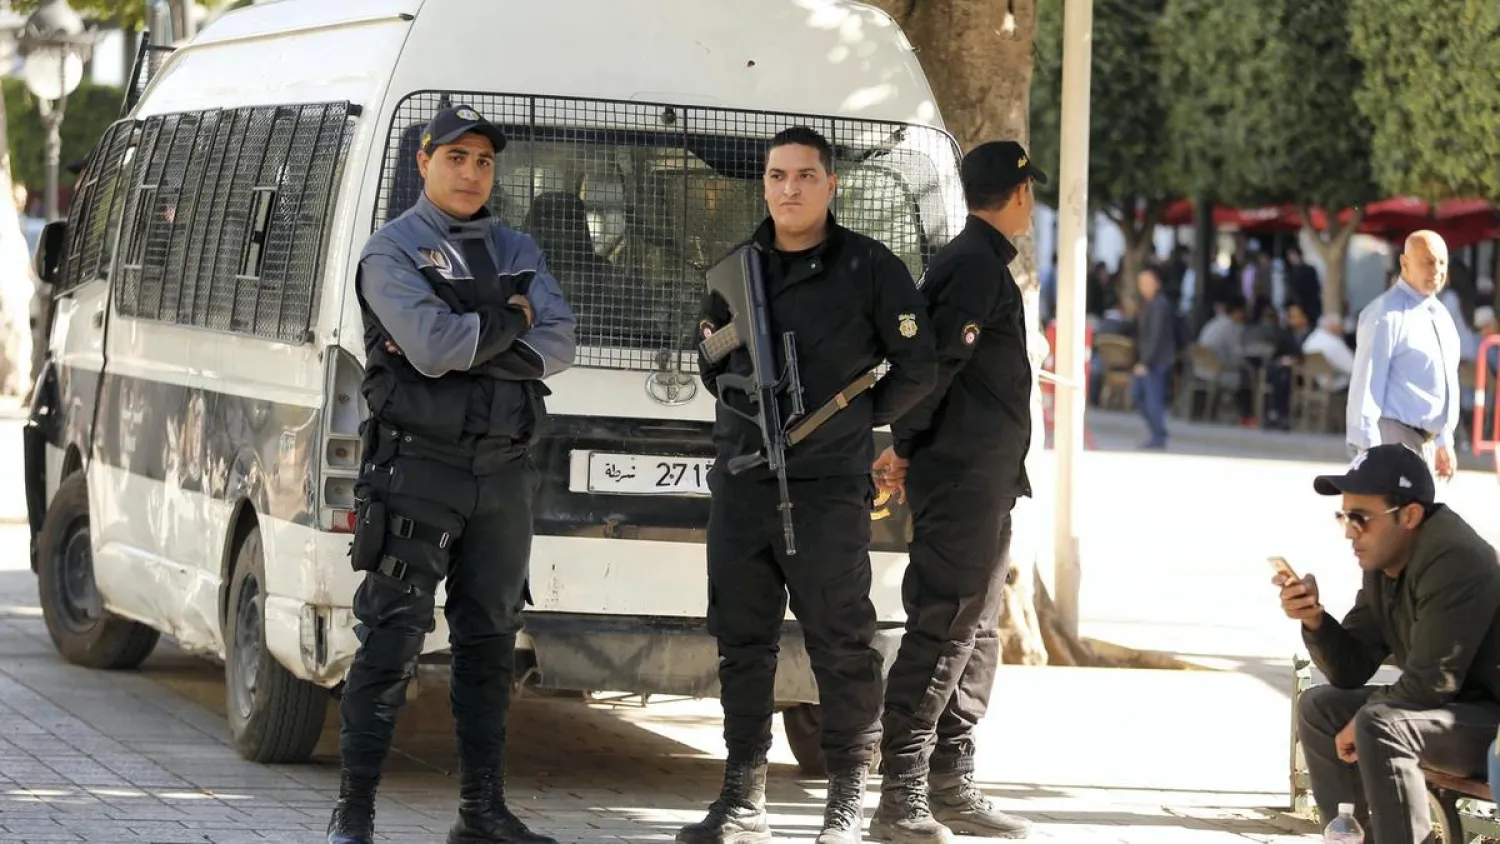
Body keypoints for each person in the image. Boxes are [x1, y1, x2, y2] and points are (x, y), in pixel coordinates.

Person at [679, 126, 937, 844]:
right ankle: (741, 798)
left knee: (842, 641)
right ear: (764, 184)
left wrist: (851, 424)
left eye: (803, 175)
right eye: (776, 175)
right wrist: (743, 369)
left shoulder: (871, 267)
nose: (788, 188)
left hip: (826, 487)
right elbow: (705, 353)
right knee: (741, 639)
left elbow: (919, 367)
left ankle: (846, 804)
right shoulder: (738, 269)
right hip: (745, 479)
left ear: (831, 185)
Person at [326, 105, 577, 844]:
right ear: (424, 162)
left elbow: (560, 343)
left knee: (492, 642)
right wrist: (512, 321)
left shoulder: (516, 245)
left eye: (484, 161)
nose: (471, 173)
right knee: (391, 638)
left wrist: (479, 335)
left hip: (503, 474)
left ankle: (481, 813)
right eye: (456, 158)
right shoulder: (391, 251)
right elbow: (431, 347)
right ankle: (356, 814)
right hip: (419, 471)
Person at [868, 139, 1042, 843]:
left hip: (985, 480)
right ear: (1020, 193)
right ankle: (901, 795)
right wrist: (903, 446)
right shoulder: (971, 266)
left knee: (974, 632)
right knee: (943, 628)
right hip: (962, 480)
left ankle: (951, 780)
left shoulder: (980, 263)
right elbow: (933, 366)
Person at [1278, 444, 1500, 844]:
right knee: (1319, 707)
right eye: (1344, 516)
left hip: (1490, 722)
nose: (1349, 531)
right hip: (1449, 712)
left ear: (1410, 515)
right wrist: (1314, 619)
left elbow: (1432, 684)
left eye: (1361, 518)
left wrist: (1366, 716)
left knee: (1380, 724)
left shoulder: (1455, 558)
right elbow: (1351, 668)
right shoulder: (1386, 560)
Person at [1346, 231, 1462, 479]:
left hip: (1427, 444)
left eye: (1442, 262)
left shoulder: (1441, 315)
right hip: (1394, 439)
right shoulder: (1385, 314)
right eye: (1428, 261)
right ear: (1404, 263)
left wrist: (1444, 440)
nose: (1437, 270)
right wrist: (1368, 452)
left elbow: (1445, 382)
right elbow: (1366, 387)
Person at [1132, 266, 1177, 449]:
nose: (1144, 286)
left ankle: (1158, 435)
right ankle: (1158, 431)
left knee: (1152, 399)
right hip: (1149, 359)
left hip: (1156, 360)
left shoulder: (1159, 305)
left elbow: (1156, 336)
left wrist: (1145, 361)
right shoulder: (1148, 304)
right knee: (1139, 396)